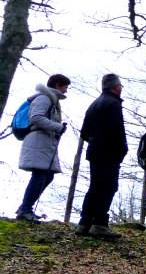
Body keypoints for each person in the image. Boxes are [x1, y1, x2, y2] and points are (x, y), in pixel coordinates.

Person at [77, 73, 127, 240]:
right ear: (116, 87)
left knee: (95, 186)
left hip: (94, 151)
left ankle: (85, 222)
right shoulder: (113, 104)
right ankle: (99, 223)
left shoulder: (94, 104)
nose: (121, 89)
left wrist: (95, 139)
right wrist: (122, 150)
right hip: (109, 153)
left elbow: (84, 133)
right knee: (108, 187)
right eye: (120, 86)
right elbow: (117, 131)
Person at [16, 74, 71, 223]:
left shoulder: (50, 99)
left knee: (47, 175)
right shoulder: (44, 98)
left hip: (44, 142)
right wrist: (58, 127)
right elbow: (36, 117)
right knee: (40, 175)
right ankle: (25, 209)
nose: (66, 91)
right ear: (58, 85)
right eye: (65, 87)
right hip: (38, 141)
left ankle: (25, 207)